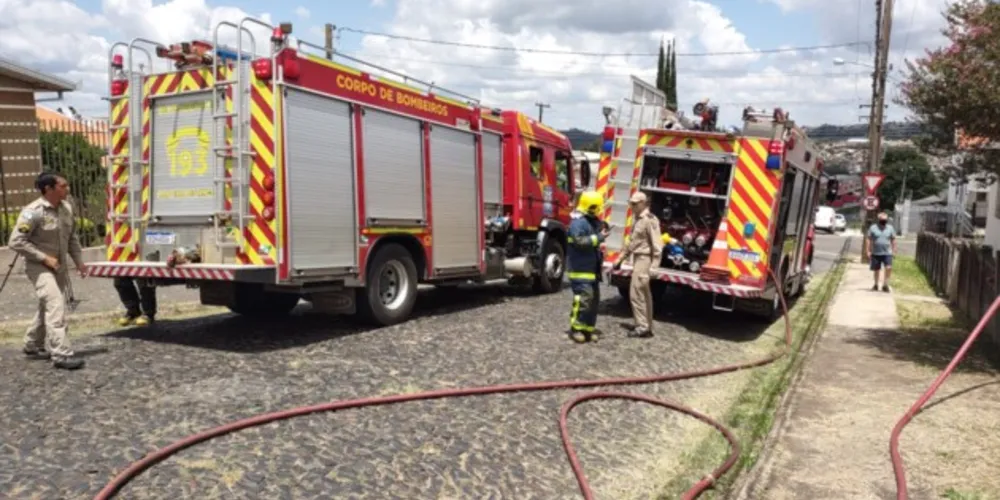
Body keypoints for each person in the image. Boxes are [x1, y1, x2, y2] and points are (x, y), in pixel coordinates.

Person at [8, 171, 87, 370]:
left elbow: (72, 238)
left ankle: (32, 344)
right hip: (38, 267)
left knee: (46, 307)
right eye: (63, 186)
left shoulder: (66, 208)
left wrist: (79, 261)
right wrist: (44, 258)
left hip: (58, 267)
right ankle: (61, 354)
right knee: (55, 304)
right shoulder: (32, 212)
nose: (67, 189)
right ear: (48, 189)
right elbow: (16, 242)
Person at [613, 192, 664, 338]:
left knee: (636, 293)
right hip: (639, 258)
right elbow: (632, 242)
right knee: (644, 293)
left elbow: (657, 244)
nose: (632, 206)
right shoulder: (638, 219)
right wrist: (621, 259)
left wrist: (654, 265)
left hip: (644, 259)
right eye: (631, 203)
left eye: (635, 204)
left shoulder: (649, 220)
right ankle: (646, 325)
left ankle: (642, 326)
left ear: (643, 203)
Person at [565, 190, 609, 343]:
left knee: (594, 300)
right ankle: (576, 329)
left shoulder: (593, 222)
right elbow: (580, 242)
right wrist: (599, 237)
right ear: (593, 207)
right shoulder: (578, 224)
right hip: (580, 270)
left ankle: (588, 329)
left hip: (592, 271)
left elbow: (595, 237)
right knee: (584, 299)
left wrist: (602, 233)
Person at [866, 212, 897, 292]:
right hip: (876, 253)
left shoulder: (890, 228)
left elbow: (893, 239)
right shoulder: (873, 228)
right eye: (882, 220)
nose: (884, 221)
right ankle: (876, 285)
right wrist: (868, 250)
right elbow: (868, 239)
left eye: (885, 220)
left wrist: (894, 250)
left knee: (888, 268)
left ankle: (885, 285)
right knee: (876, 269)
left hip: (887, 252)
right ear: (879, 219)